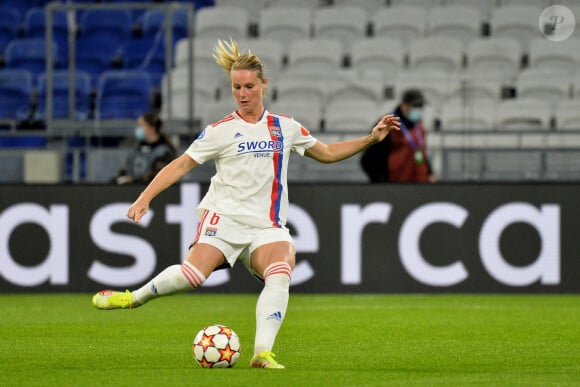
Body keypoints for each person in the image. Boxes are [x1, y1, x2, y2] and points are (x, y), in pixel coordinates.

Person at [92, 38, 400, 369]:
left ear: (263, 85)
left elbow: (326, 153)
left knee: (280, 273)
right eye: (236, 87)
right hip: (223, 219)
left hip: (266, 226)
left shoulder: (285, 127)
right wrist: (145, 196)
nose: (243, 93)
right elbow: (180, 165)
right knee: (193, 276)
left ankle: (262, 353)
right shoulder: (219, 131)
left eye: (249, 86)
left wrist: (370, 139)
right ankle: (133, 298)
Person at [360, 89, 436, 183]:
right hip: (394, 185)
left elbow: (419, 154)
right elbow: (368, 159)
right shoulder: (387, 125)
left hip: (418, 184)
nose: (419, 109)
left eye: (420, 106)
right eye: (415, 106)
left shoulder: (419, 127)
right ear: (403, 105)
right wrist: (381, 182)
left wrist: (429, 173)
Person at [112, 111, 177, 184]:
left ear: (151, 128)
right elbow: (124, 171)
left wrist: (132, 181)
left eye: (140, 126)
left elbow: (157, 178)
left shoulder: (165, 152)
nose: (137, 129)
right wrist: (115, 180)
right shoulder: (135, 150)